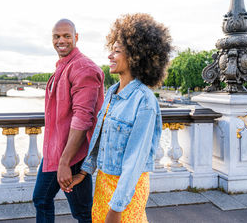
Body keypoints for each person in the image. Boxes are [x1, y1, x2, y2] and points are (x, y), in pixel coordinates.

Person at [66, 13, 172, 223]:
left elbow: (135, 161)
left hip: (127, 191)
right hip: (103, 182)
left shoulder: (144, 102)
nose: (110, 56)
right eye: (111, 50)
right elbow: (100, 139)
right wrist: (85, 171)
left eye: (117, 51)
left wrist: (116, 209)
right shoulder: (111, 93)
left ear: (135, 56)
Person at [33, 19, 105, 223]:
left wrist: (65, 161)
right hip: (57, 151)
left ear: (76, 37)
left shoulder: (83, 68)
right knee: (43, 200)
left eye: (66, 35)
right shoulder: (65, 65)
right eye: (56, 36)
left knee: (81, 212)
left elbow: (83, 118)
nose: (61, 40)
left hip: (72, 154)